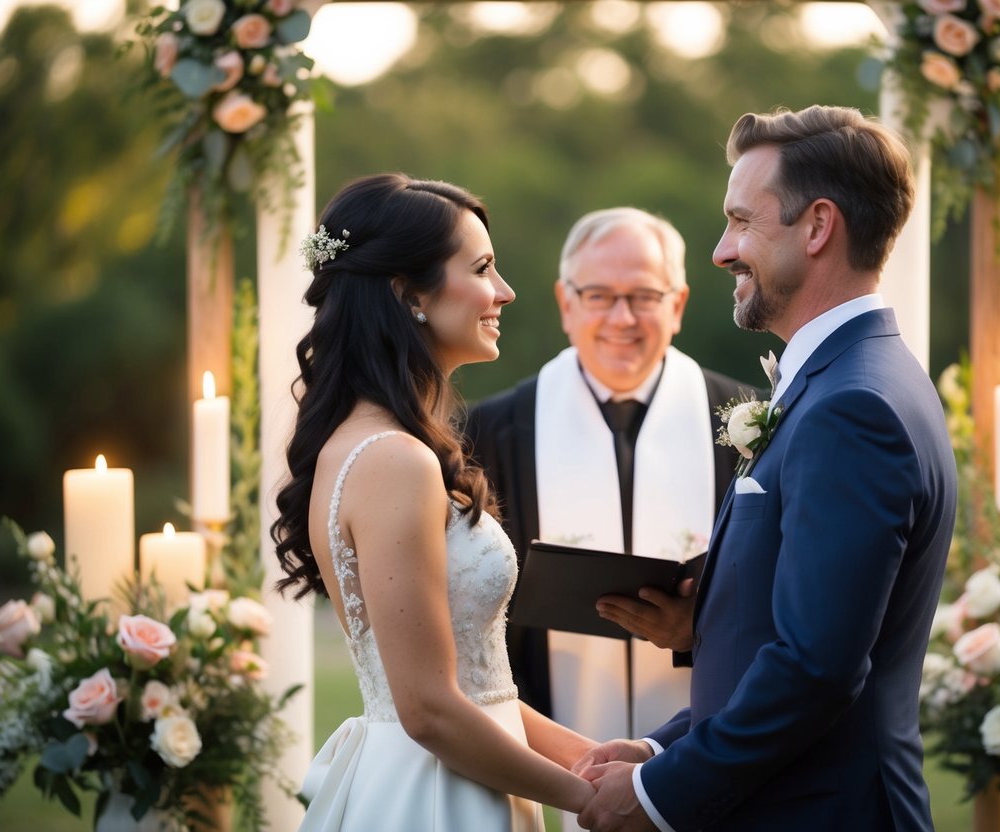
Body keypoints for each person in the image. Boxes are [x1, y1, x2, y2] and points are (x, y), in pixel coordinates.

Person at [575, 106, 959, 831]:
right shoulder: (845, 379)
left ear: (817, 227)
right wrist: (664, 746)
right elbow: (787, 635)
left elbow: (816, 668)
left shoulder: (854, 406)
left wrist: (660, 793)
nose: (721, 251)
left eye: (742, 222)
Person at [271, 173, 596, 831]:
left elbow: (480, 686)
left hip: (462, 771)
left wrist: (593, 762)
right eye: (481, 268)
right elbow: (426, 708)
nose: (504, 291)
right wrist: (592, 805)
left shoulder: (374, 444)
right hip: (436, 796)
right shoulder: (393, 460)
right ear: (406, 293)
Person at [464, 208, 747, 803]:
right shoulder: (488, 432)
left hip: (707, 749)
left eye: (644, 295)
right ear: (566, 303)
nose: (622, 318)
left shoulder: (746, 423)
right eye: (598, 295)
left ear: (679, 303)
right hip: (541, 756)